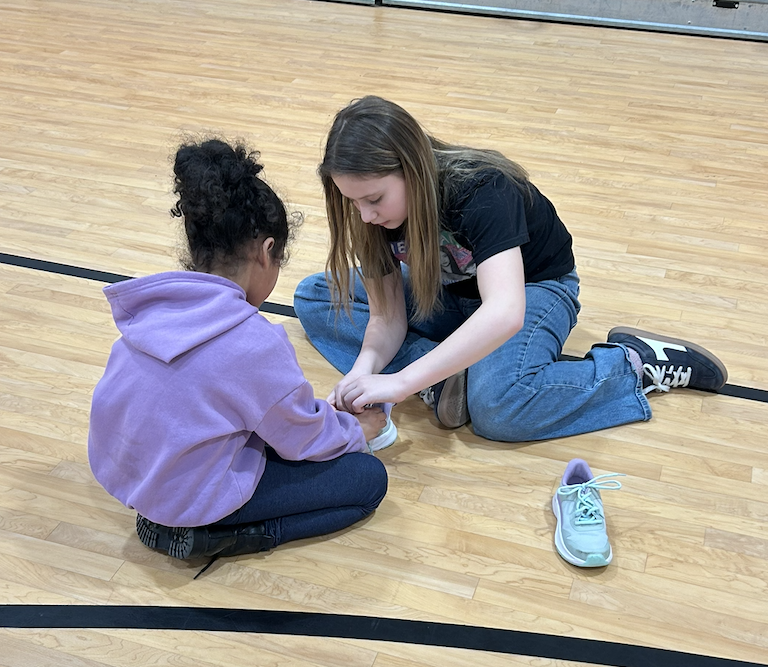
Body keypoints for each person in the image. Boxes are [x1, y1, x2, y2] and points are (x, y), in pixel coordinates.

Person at [293, 95, 727, 443]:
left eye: (373, 199)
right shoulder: (371, 216)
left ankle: (635, 363)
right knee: (316, 294)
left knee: (499, 409)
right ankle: (442, 376)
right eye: (353, 201)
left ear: (412, 170)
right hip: (449, 292)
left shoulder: (482, 188)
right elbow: (387, 318)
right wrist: (363, 371)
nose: (364, 215)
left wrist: (401, 381)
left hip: (536, 287)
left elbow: (504, 311)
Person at [88, 138, 388, 573]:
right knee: (367, 481)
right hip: (190, 498)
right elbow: (301, 437)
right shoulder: (252, 340)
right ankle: (215, 535)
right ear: (266, 252)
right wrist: (357, 429)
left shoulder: (153, 304)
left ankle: (172, 515)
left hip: (133, 478)